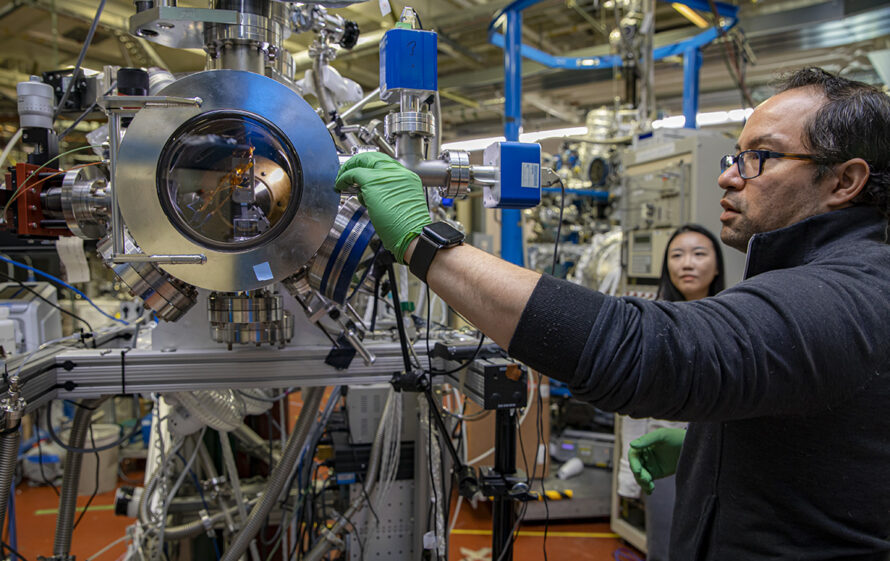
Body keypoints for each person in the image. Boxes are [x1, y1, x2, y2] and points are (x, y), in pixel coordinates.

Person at [335, 67, 890, 560]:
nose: (729, 176)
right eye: (733, 156)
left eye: (759, 157)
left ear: (844, 180)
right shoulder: (805, 277)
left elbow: (642, 350)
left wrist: (424, 242)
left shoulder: (855, 294)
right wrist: (709, 443)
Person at [625, 224, 725, 561]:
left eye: (699, 254)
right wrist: (629, 477)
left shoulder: (735, 320)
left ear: (717, 265)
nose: (687, 264)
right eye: (677, 255)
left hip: (720, 455)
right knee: (665, 546)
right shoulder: (652, 321)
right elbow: (635, 407)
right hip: (665, 457)